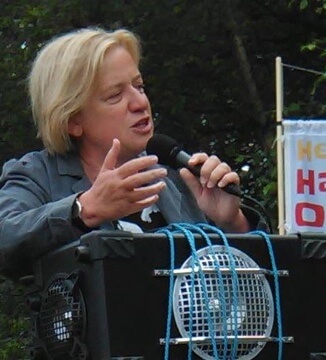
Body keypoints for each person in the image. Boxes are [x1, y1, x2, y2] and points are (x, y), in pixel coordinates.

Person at [0, 27, 263, 280]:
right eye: (115, 95)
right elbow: (5, 238)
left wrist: (233, 224)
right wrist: (85, 209)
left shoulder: (180, 175)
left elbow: (252, 291)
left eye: (139, 87)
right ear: (72, 120)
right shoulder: (36, 175)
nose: (140, 103)